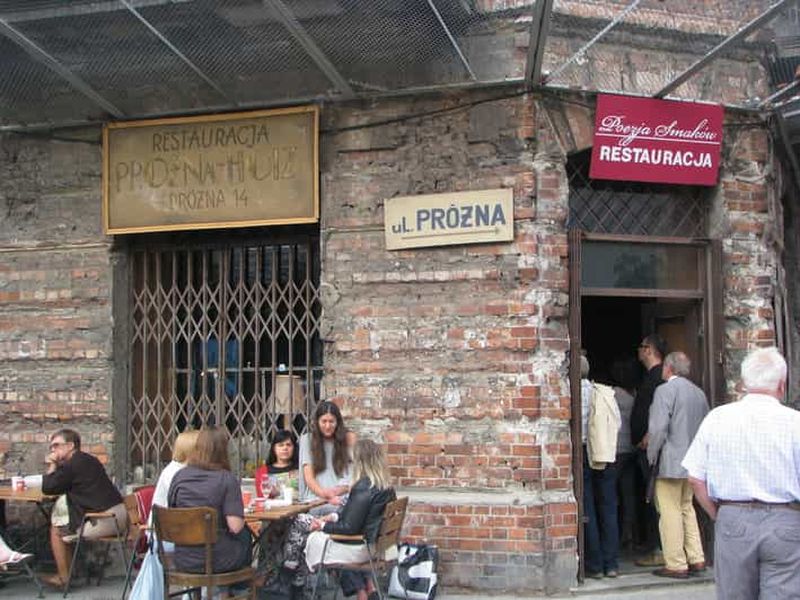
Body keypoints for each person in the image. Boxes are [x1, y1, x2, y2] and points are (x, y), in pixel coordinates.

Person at [682, 347, 800, 599]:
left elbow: (694, 477)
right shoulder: (795, 423)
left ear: (744, 382)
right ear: (782, 385)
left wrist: (718, 513)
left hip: (733, 515)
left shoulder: (718, 418)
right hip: (786, 518)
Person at [305, 439, 396, 600]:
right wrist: (333, 517)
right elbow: (357, 516)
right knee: (326, 539)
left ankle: (299, 588)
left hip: (362, 548)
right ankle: (366, 588)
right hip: (378, 545)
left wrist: (323, 525)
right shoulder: (385, 487)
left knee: (313, 539)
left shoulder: (363, 487)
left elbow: (349, 528)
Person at [646, 352, 708, 579]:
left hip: (671, 461)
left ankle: (676, 563)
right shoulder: (699, 393)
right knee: (686, 507)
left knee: (669, 511)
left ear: (669, 368)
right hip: (693, 462)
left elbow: (658, 428)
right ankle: (697, 557)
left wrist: (651, 456)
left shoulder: (664, 391)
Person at [41, 428, 126, 589]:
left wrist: (52, 464)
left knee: (57, 529)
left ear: (70, 445)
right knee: (66, 524)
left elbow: (49, 487)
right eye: (51, 447)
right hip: (120, 515)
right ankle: (70, 574)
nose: (53, 450)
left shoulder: (72, 465)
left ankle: (64, 578)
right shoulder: (88, 459)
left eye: (57, 445)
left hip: (105, 520)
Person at [167, 428, 251, 576]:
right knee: (244, 535)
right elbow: (236, 526)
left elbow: (172, 514)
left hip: (183, 559)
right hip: (216, 560)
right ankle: (239, 589)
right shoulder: (226, 479)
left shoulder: (179, 477)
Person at [580, 355, 621, 579]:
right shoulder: (605, 393)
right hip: (605, 452)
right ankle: (612, 563)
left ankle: (595, 565)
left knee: (588, 508)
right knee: (608, 507)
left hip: (584, 453)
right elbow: (617, 422)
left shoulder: (572, 392)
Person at [631, 334, 667, 566]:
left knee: (656, 498)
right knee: (649, 496)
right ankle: (655, 545)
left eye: (641, 347)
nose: (638, 351)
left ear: (650, 350)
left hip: (653, 449)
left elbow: (661, 410)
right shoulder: (650, 376)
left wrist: (649, 436)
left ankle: (660, 549)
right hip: (644, 448)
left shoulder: (660, 377)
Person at [298, 401, 355, 514]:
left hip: (341, 496)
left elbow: (352, 474)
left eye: (331, 421)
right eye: (324, 421)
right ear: (317, 422)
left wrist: (341, 490)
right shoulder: (307, 440)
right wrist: (326, 494)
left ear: (337, 422)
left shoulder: (346, 439)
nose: (328, 426)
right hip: (316, 498)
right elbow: (309, 478)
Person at [148, 430, 199, 549]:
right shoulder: (174, 473)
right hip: (166, 536)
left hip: (179, 531)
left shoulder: (185, 470)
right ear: (192, 451)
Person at [610, 357, 639, 552]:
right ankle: (631, 535)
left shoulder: (614, 394)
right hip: (632, 448)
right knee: (629, 494)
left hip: (616, 449)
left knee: (611, 495)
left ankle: (616, 537)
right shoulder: (636, 393)